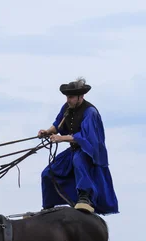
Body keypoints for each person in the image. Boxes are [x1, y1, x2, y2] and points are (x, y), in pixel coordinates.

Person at [38, 77, 118, 214]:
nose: (68, 100)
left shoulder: (90, 112)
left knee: (79, 161)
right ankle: (49, 206)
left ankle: (84, 198)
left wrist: (61, 138)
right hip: (75, 149)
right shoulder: (67, 107)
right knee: (47, 173)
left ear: (81, 96)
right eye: (67, 97)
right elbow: (58, 124)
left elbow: (86, 137)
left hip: (90, 151)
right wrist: (47, 131)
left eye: (71, 97)